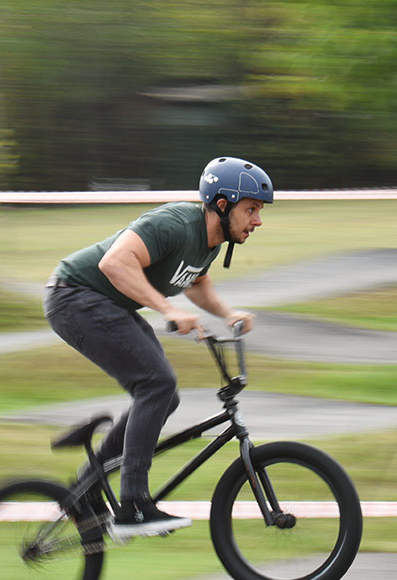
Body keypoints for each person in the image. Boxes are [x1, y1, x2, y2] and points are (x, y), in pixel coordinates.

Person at [43, 157, 273, 539]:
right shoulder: (175, 223)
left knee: (164, 396)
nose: (258, 221)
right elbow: (115, 262)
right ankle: (133, 505)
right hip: (74, 297)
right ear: (222, 205)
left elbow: (195, 281)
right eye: (251, 209)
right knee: (156, 384)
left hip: (103, 304)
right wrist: (168, 310)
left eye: (259, 211)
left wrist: (226, 313)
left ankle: (84, 488)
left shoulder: (211, 241)